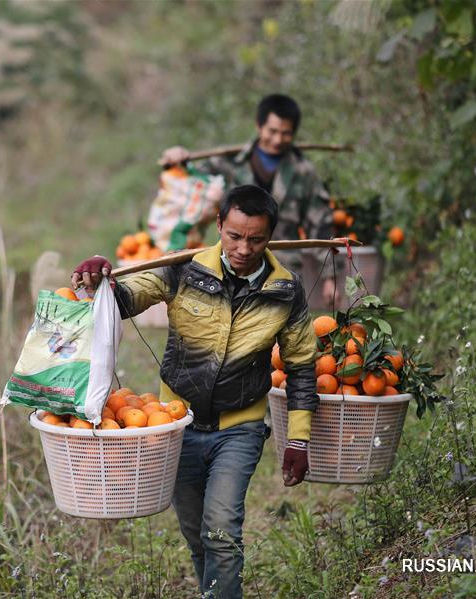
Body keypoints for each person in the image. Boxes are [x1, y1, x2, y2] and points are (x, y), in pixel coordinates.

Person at [72, 185, 318, 599]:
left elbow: (301, 367)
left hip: (239, 428)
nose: (243, 247)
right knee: (196, 533)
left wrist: (298, 439)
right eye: (235, 235)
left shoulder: (285, 291)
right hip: (176, 425)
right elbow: (128, 298)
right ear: (219, 225)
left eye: (256, 239)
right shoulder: (184, 269)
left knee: (221, 529)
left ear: (270, 236)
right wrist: (102, 281)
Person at [161, 93, 335, 294]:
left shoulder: (303, 172)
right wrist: (178, 159)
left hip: (283, 270)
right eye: (272, 131)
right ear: (259, 126)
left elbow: (320, 223)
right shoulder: (229, 163)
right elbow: (190, 180)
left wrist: (330, 276)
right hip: (232, 265)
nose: (278, 139)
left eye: (286, 133)